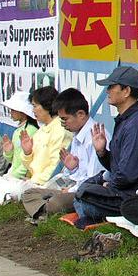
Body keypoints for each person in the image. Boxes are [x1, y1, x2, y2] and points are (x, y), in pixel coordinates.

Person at [73, 65, 138, 227]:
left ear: (126, 91)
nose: (108, 91)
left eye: (112, 87)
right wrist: (102, 152)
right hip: (126, 188)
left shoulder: (136, 124)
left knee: (84, 197)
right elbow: (117, 166)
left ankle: (104, 217)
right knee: (83, 191)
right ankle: (102, 215)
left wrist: (109, 187)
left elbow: (127, 175)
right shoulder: (126, 119)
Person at [22, 88, 102, 221]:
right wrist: (72, 168)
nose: (63, 124)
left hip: (85, 192)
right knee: (29, 194)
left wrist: (71, 190)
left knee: (56, 202)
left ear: (81, 114)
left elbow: (94, 180)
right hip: (70, 186)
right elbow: (74, 173)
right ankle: (43, 211)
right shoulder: (77, 134)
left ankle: (43, 212)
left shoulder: (95, 136)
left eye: (65, 119)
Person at [0, 91, 39, 180]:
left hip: (23, 177)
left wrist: (14, 176)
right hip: (14, 174)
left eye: (13, 110)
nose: (10, 112)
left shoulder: (31, 130)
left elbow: (29, 160)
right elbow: (14, 160)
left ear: (23, 112)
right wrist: (8, 152)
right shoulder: (18, 130)